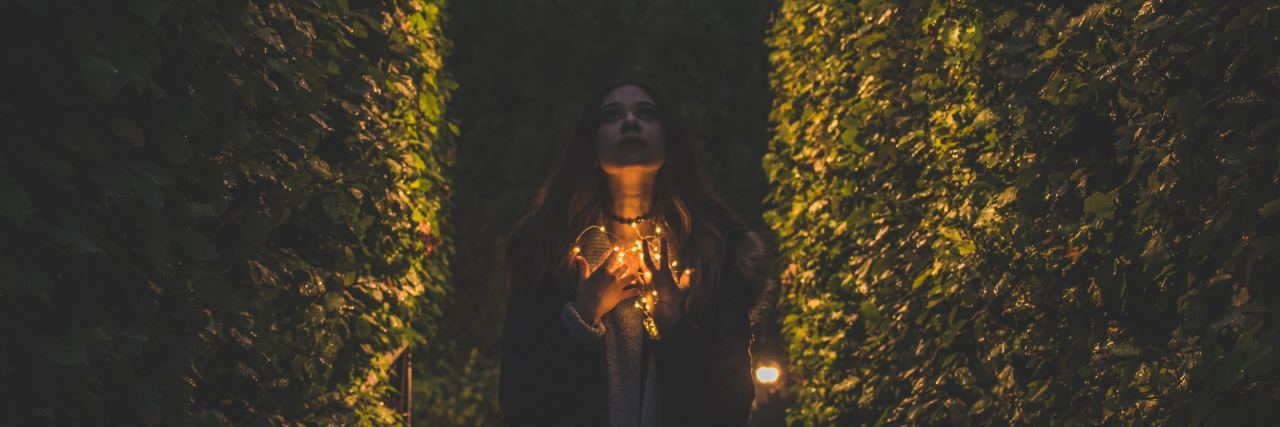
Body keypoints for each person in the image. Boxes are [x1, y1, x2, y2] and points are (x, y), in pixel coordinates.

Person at [498, 80, 774, 426]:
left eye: (646, 113)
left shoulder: (712, 252)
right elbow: (520, 405)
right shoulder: (547, 250)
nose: (630, 122)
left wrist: (673, 324)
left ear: (669, 143)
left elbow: (730, 410)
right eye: (612, 115)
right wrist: (582, 317)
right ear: (591, 145)